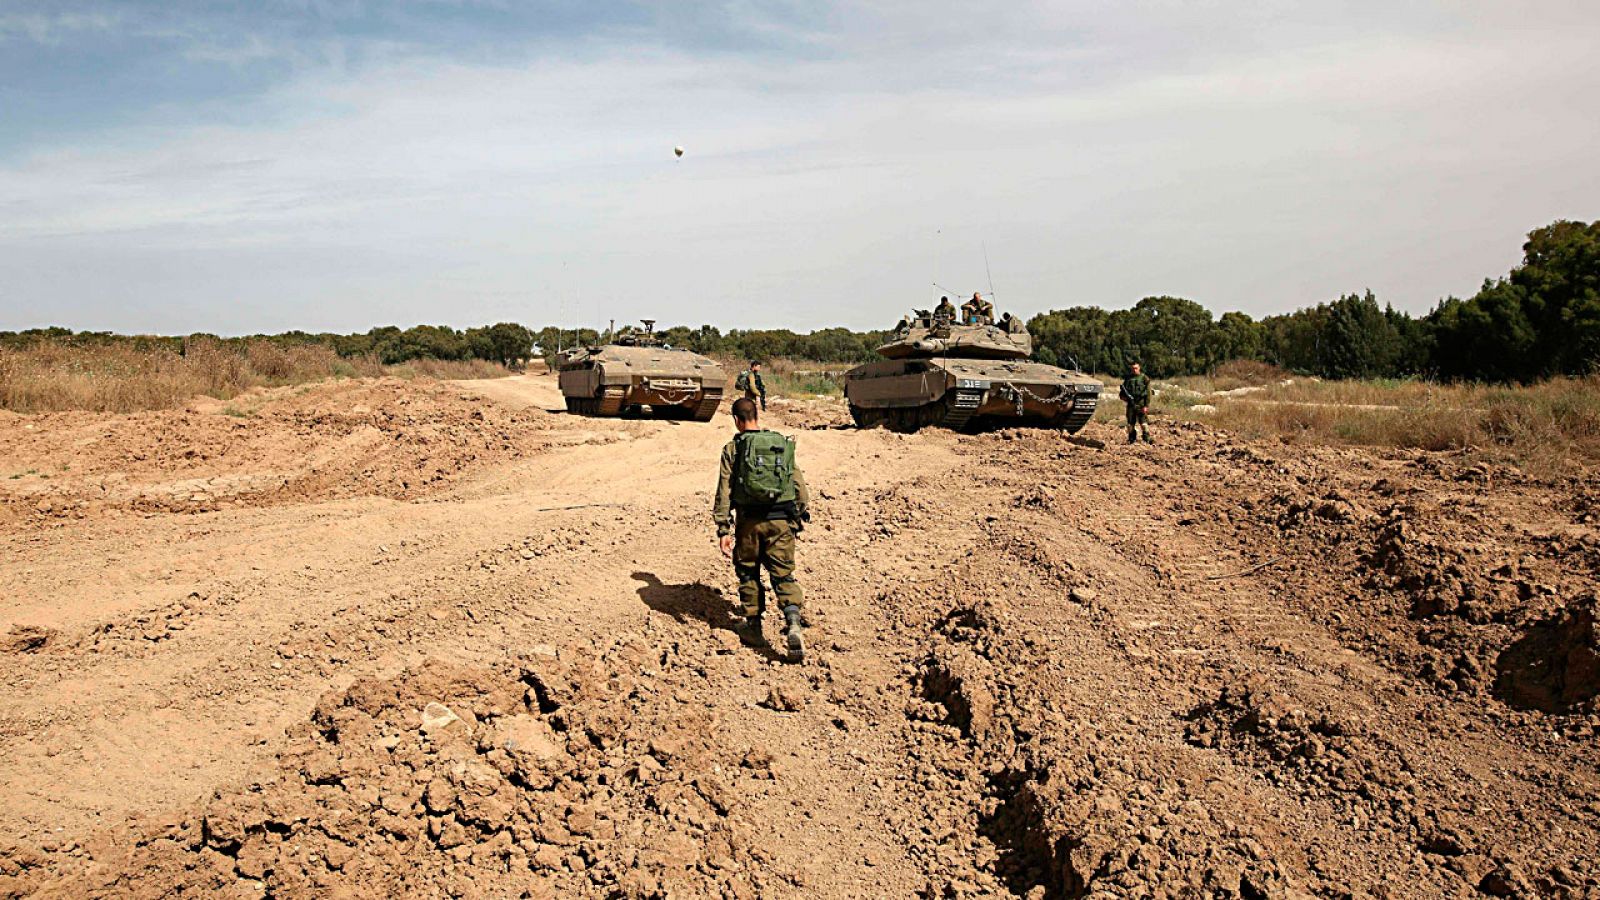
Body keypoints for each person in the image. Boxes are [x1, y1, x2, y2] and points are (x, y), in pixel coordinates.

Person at [714, 398, 810, 661]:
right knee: (784, 576)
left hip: (748, 523)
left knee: (748, 573)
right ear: (757, 414)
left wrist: (723, 528)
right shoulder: (780, 443)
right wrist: (798, 515)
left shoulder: (733, 448)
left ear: (736, 420)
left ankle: (753, 627)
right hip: (781, 521)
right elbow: (798, 485)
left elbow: (724, 491)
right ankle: (793, 623)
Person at [1119, 362, 1152, 444]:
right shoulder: (1128, 379)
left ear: (1139, 368)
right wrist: (1122, 397)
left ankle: (1147, 439)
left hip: (1141, 404)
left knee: (1143, 424)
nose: (1134, 370)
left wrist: (1146, 405)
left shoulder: (1144, 378)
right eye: (1133, 368)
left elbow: (1149, 393)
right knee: (1130, 425)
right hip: (1130, 405)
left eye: (1136, 368)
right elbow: (1123, 391)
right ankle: (1131, 439)